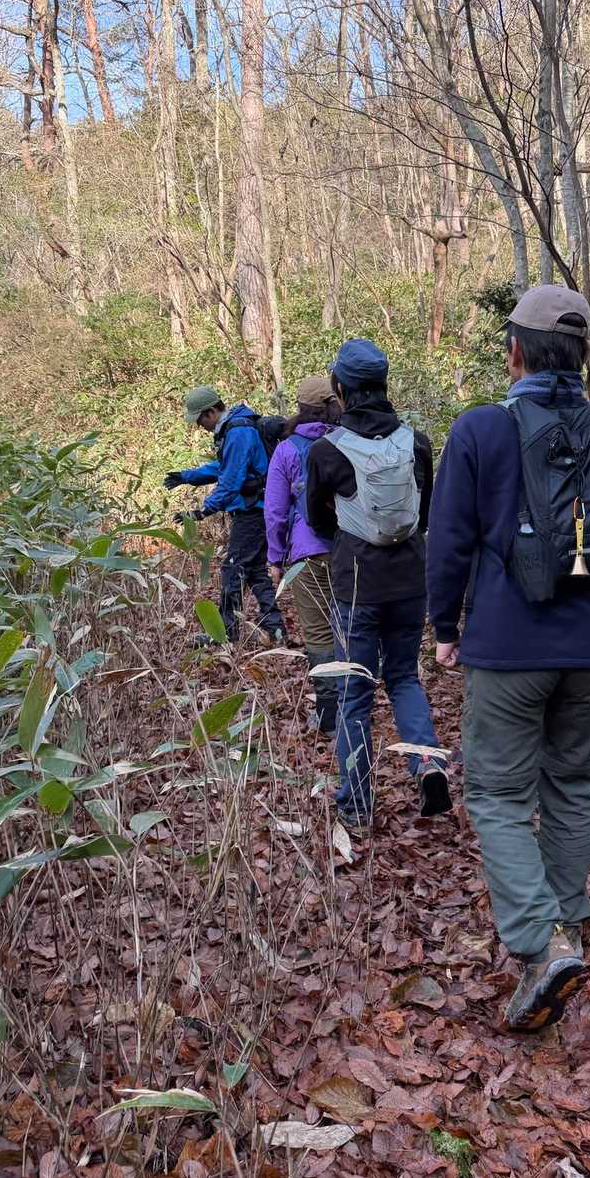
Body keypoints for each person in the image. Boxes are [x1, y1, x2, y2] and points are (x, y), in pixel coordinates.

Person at [427, 285, 590, 1033]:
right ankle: (570, 927)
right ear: (582, 357)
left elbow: (449, 537)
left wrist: (445, 625)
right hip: (587, 646)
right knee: (572, 783)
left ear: (515, 351)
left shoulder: (480, 430)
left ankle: (540, 944)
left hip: (506, 645)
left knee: (496, 793)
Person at [306, 338, 451, 827]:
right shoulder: (417, 442)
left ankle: (356, 803)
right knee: (404, 677)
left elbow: (317, 521)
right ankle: (427, 763)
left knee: (354, 693)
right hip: (410, 578)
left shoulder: (326, 451)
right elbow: (424, 515)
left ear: (340, 388)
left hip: (356, 583)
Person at [163, 386, 285, 645]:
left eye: (200, 420)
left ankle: (225, 633)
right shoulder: (236, 428)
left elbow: (231, 480)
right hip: (258, 507)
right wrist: (187, 476)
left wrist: (203, 510)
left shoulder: (238, 431)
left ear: (211, 412)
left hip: (252, 511)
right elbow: (225, 466)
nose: (200, 426)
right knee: (254, 571)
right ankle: (276, 630)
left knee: (232, 569)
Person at [264, 375, 341, 735]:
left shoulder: (286, 450)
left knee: (319, 633)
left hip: (307, 554)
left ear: (300, 408)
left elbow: (275, 512)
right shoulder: (346, 440)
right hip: (350, 549)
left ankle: (329, 714)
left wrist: (276, 558)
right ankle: (355, 705)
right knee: (348, 626)